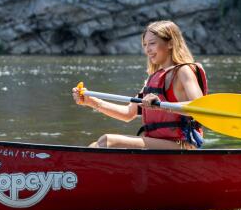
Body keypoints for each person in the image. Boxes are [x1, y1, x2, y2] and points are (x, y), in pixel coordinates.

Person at [71, 20, 208, 149]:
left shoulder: (183, 71)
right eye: (145, 45)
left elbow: (201, 107)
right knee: (99, 143)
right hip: (159, 143)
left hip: (182, 145)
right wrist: (92, 102)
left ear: (170, 43)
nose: (147, 49)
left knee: (108, 141)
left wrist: (162, 106)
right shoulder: (153, 78)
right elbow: (128, 113)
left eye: (152, 43)